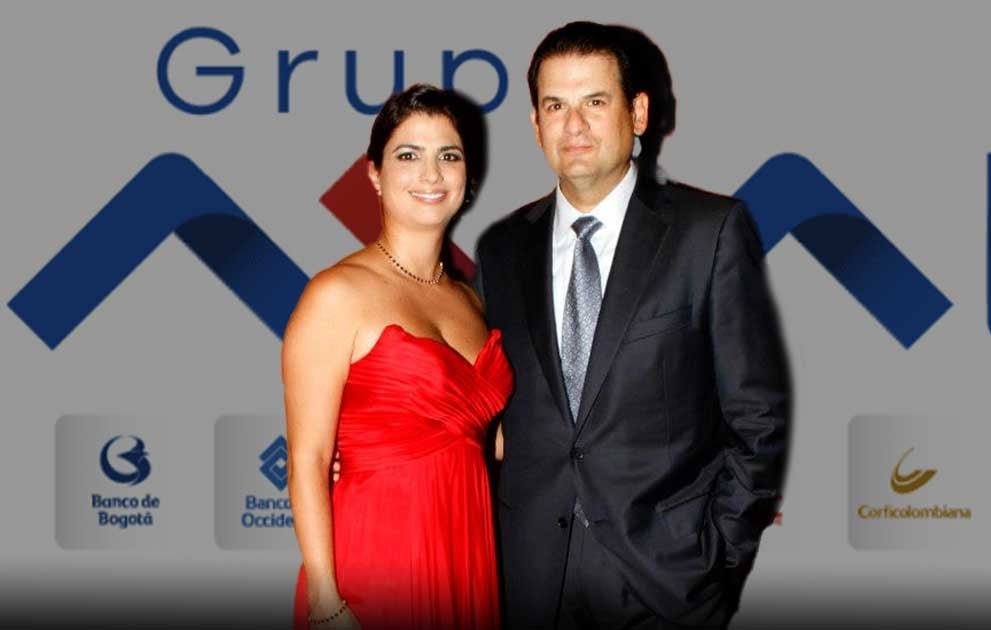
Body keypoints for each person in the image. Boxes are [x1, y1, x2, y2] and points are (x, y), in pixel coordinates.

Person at [474, 21, 791, 630]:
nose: (574, 125)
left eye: (594, 102)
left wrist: (716, 558)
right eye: (555, 106)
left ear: (637, 113)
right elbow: (476, 405)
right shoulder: (500, 249)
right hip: (529, 580)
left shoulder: (708, 233)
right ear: (535, 124)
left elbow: (757, 417)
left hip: (664, 582)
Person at [283, 84, 508, 630]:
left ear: (468, 177)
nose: (430, 174)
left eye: (448, 156)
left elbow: (499, 444)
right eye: (408, 155)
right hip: (375, 561)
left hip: (466, 551)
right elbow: (309, 458)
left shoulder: (473, 303)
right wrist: (325, 600)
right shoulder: (336, 293)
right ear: (375, 174)